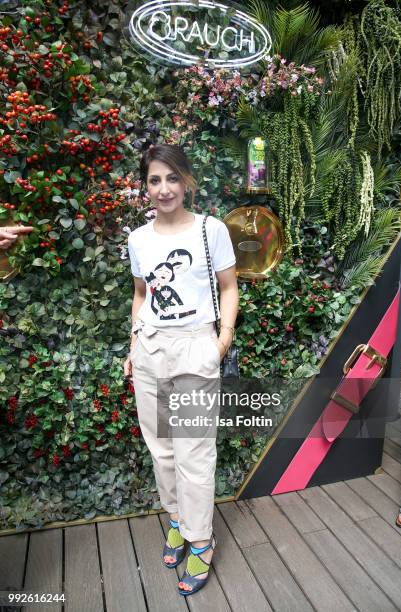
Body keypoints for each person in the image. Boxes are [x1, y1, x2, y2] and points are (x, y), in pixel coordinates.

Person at [123, 144, 239, 596]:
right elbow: (140, 294)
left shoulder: (210, 231)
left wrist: (221, 340)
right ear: (145, 187)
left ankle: (200, 539)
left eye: (172, 178)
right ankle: (177, 519)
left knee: (194, 453)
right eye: (154, 180)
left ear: (187, 181)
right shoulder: (138, 239)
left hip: (196, 348)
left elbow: (228, 287)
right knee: (163, 450)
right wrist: (133, 343)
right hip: (151, 350)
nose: (164, 188)